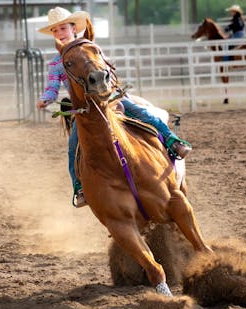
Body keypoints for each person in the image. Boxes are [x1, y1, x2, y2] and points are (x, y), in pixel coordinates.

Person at [36, 7, 192, 208]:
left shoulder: (90, 48)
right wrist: (45, 99)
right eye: (55, 31)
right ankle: (79, 185)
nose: (60, 33)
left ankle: (172, 141)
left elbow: (106, 71)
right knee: (74, 146)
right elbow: (52, 88)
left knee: (142, 113)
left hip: (108, 99)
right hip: (85, 111)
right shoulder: (56, 63)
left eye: (63, 28)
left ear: (73, 28)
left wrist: (110, 92)